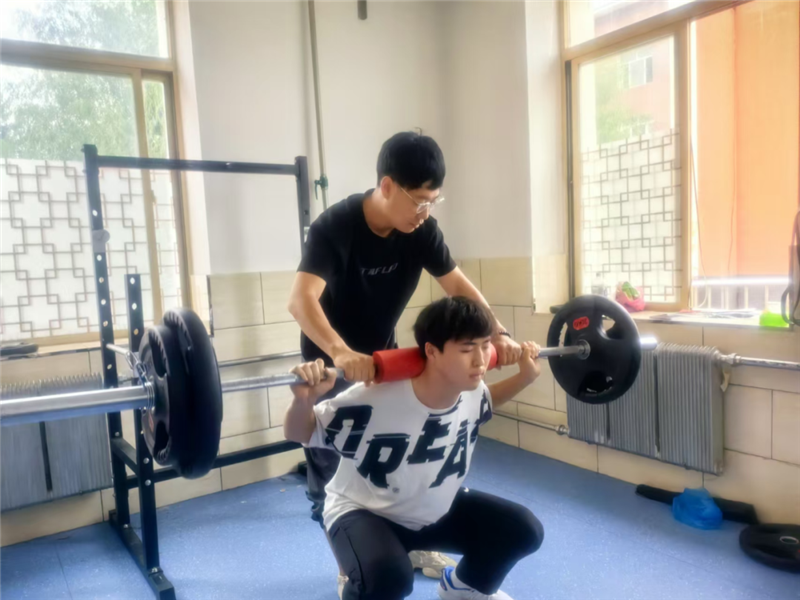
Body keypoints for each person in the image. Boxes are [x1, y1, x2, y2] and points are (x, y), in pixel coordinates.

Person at [287, 131, 522, 593]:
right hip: (331, 365)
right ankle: (352, 561)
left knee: (406, 457)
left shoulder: (422, 231)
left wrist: (499, 333)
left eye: (433, 202)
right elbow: (301, 299)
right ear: (387, 185)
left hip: (389, 362)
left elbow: (458, 286)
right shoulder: (335, 226)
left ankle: (409, 539)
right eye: (419, 201)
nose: (425, 212)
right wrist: (340, 352)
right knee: (331, 468)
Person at [284, 297, 544, 600]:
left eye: (486, 346)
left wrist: (525, 377)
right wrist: (303, 400)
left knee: (522, 530)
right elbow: (300, 432)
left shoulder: (470, 390)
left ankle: (464, 590)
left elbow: (485, 403)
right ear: (432, 351)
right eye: (466, 349)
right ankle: (359, 585)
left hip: (431, 508)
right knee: (388, 578)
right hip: (365, 512)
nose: (480, 360)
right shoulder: (374, 397)